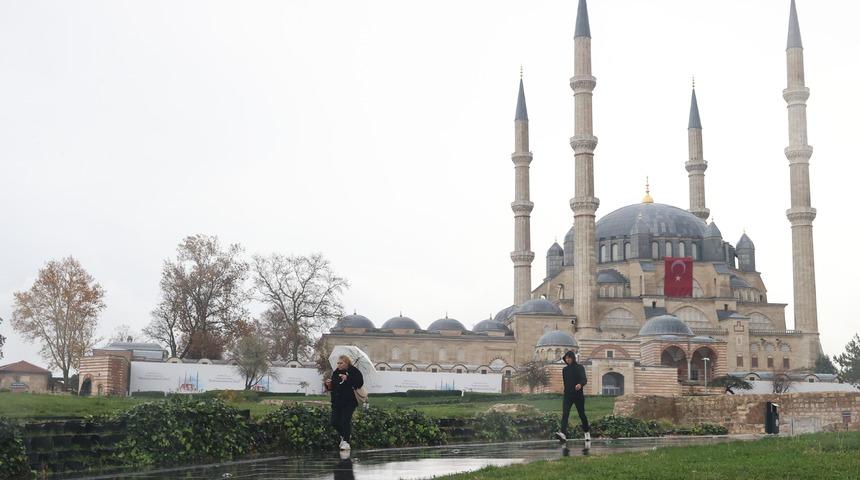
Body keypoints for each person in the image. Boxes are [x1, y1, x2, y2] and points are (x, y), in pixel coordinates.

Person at [325, 355, 364, 451]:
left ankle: (346, 442)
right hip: (337, 402)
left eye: (341, 363)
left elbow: (359, 383)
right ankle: (344, 435)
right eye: (338, 363)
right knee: (334, 422)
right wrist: (328, 385)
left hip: (349, 401)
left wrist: (347, 378)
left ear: (346, 363)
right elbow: (333, 387)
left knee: (345, 421)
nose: (338, 364)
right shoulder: (336, 372)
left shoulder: (354, 371)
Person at [555, 350, 590, 442]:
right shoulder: (565, 370)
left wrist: (580, 384)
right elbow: (566, 383)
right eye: (566, 358)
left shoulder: (580, 367)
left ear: (573, 358)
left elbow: (584, 379)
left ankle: (587, 433)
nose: (567, 360)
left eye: (569, 358)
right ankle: (563, 434)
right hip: (567, 396)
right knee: (565, 414)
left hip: (578, 395)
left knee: (581, 414)